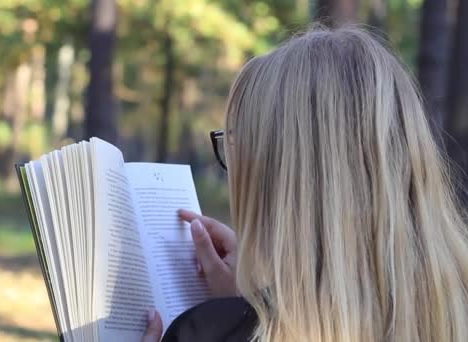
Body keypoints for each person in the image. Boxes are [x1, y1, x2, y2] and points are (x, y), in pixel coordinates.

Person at [142, 25, 468, 342]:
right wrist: (252, 302)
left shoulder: (205, 332)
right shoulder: (455, 308)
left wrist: (239, 319)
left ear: (277, 179)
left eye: (236, 145)